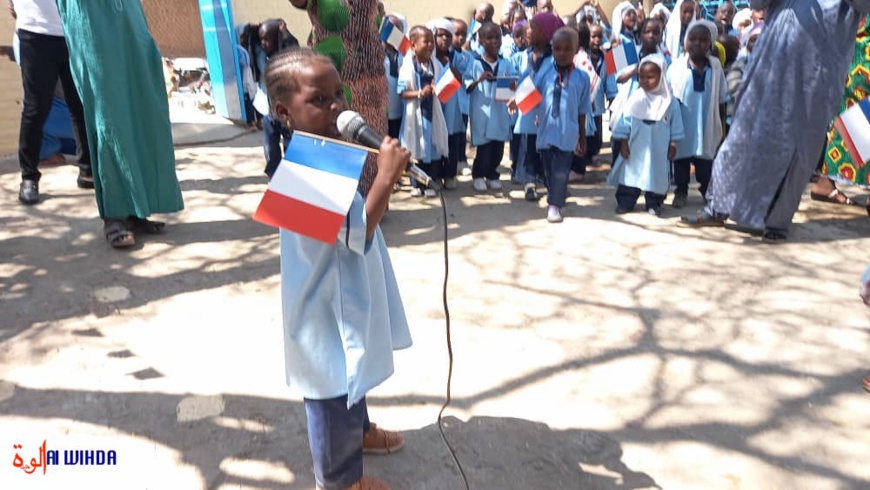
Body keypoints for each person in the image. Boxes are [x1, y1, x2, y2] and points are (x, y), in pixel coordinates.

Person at [265, 48, 411, 490]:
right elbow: (358, 233)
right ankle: (338, 479)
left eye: (336, 95)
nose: (335, 107)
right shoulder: (300, 174)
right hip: (324, 310)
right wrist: (384, 178)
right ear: (283, 112)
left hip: (346, 290)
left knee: (353, 373)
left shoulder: (322, 150)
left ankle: (360, 431)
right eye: (319, 99)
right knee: (332, 394)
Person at [679, 0, 870, 242]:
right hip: (770, 60)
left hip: (816, 69)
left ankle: (775, 221)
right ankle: (717, 207)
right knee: (742, 134)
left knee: (798, 147)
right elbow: (758, 3)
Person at [54, 0, 183, 248]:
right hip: (90, 17)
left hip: (128, 16)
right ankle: (115, 215)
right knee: (108, 116)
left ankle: (137, 208)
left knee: (142, 109)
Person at [290, 0, 386, 196]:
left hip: (375, 85)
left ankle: (370, 209)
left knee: (372, 155)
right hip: (337, 86)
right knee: (338, 154)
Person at [12, 0, 93, 205]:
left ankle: (87, 170)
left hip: (73, 31)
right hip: (35, 30)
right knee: (36, 107)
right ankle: (29, 177)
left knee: (80, 104)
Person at [609, 54, 684, 216]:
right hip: (635, 146)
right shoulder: (635, 98)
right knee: (630, 176)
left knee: (656, 176)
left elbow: (676, 125)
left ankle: (654, 203)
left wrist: (673, 144)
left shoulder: (670, 102)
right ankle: (625, 202)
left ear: (661, 76)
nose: (644, 81)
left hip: (659, 148)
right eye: (641, 77)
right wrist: (623, 142)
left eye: (650, 77)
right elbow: (625, 121)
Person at [667, 19, 728, 209]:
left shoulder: (716, 66)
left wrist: (721, 125)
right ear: (685, 41)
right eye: (692, 39)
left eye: (703, 40)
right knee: (681, 161)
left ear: (710, 43)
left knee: (705, 163)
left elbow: (721, 98)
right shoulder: (676, 66)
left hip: (707, 123)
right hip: (682, 124)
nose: (696, 43)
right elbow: (668, 97)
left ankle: (707, 192)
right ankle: (681, 191)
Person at [534, 27, 592, 223]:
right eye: (557, 48)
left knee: (561, 169)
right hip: (545, 130)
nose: (562, 53)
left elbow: (583, 109)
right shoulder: (544, 71)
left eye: (568, 49)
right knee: (549, 171)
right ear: (552, 49)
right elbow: (532, 92)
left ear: (576, 50)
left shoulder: (582, 77)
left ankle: (554, 204)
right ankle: (556, 193)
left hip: (567, 132)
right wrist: (517, 97)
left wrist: (582, 136)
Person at [814, 15, 870, 211]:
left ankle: (825, 182)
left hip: (856, 57)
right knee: (857, 119)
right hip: (862, 57)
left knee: (854, 119)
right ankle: (825, 182)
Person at [511, 12, 561, 200]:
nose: (528, 31)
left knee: (547, 150)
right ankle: (529, 182)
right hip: (529, 111)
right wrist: (517, 93)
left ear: (546, 32)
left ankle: (551, 183)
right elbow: (527, 79)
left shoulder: (554, 57)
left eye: (533, 27)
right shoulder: (531, 55)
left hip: (546, 110)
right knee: (528, 146)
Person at [466, 22, 518, 192]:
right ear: (480, 40)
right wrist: (478, 80)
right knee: (484, 147)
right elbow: (467, 86)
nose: (494, 41)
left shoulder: (506, 63)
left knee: (497, 147)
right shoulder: (474, 63)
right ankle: (478, 175)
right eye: (489, 38)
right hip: (482, 111)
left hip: (500, 111)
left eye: (497, 37)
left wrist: (512, 86)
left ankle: (492, 175)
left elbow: (513, 85)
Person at [398, 25, 449, 198]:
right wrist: (420, 93)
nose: (430, 45)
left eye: (431, 42)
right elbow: (402, 93)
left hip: (432, 116)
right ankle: (416, 184)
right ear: (413, 45)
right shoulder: (407, 68)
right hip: (415, 116)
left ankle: (430, 182)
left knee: (432, 148)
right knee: (415, 149)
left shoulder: (436, 65)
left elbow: (443, 88)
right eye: (425, 41)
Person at [258, 19, 300, 178]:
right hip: (270, 114)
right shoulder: (262, 57)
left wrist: (285, 34)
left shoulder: (288, 58)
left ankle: (291, 180)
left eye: (267, 39)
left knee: (290, 148)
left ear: (277, 38)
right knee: (271, 150)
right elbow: (249, 42)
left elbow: (294, 49)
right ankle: (274, 178)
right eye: (261, 39)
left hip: (287, 114)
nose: (263, 43)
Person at [430, 18, 466, 191]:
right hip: (435, 105)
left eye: (448, 36)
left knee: (451, 138)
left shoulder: (456, 57)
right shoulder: (428, 57)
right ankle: (435, 175)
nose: (445, 39)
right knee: (436, 138)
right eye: (441, 35)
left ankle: (450, 175)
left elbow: (461, 78)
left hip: (452, 104)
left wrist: (449, 66)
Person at [450, 17, 473, 175]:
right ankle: (450, 161)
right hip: (448, 101)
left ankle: (462, 159)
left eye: (464, 34)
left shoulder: (467, 57)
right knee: (449, 132)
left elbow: (467, 77)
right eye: (456, 34)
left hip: (462, 100)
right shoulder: (441, 55)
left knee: (461, 131)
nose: (460, 38)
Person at [383, 15, 405, 139]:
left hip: (399, 111)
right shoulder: (376, 54)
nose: (394, 34)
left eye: (398, 30)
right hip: (383, 112)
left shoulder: (403, 54)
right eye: (390, 28)